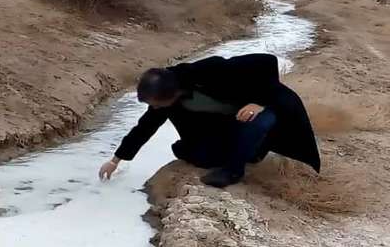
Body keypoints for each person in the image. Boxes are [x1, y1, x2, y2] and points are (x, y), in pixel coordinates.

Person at [98, 53, 320, 188]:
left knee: (259, 120)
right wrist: (116, 160)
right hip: (226, 126)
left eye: (155, 103)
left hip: (262, 108)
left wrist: (258, 101)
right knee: (201, 156)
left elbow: (266, 61)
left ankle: (234, 171)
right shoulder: (166, 101)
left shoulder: (208, 71)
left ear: (171, 93)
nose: (153, 108)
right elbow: (144, 127)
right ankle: (248, 152)